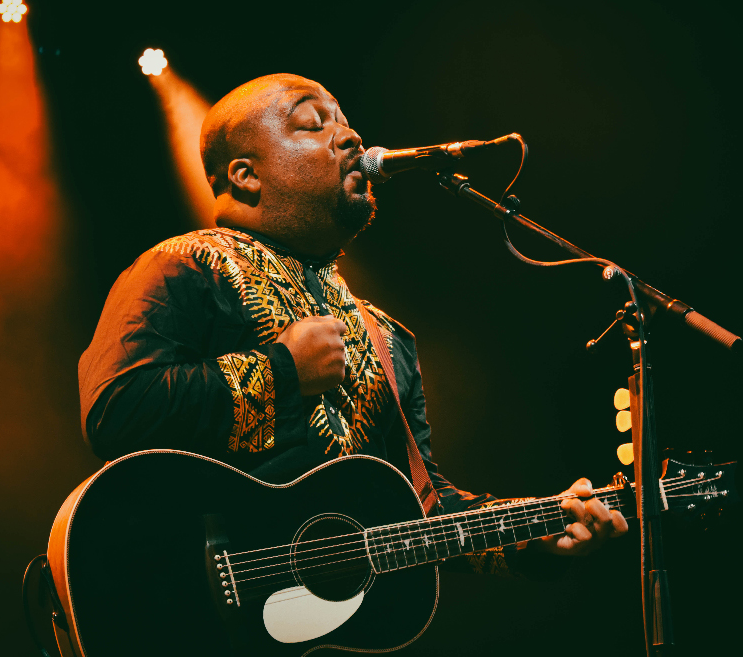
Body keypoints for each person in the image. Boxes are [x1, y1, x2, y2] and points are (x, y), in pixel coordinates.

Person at [77, 73, 627, 579]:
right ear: (246, 176)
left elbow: (425, 507)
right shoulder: (184, 265)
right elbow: (115, 411)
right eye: (313, 124)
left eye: (343, 121)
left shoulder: (388, 337)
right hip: (187, 602)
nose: (351, 138)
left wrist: (534, 532)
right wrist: (281, 370)